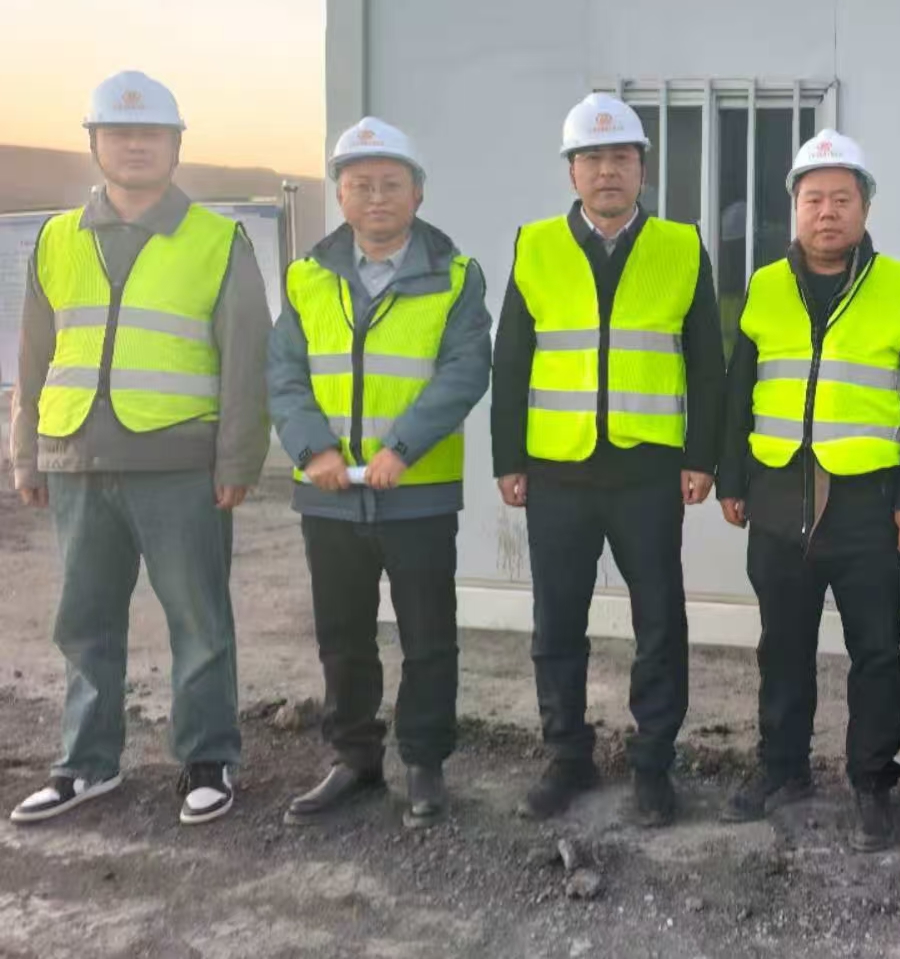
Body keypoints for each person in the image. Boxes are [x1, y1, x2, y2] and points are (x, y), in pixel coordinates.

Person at [9, 71, 271, 826]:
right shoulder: (57, 239)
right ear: (94, 143)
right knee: (84, 622)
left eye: (150, 134)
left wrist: (237, 460)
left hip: (180, 466)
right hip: (77, 461)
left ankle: (208, 760)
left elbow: (246, 357)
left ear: (175, 147)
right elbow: (33, 355)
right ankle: (85, 764)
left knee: (198, 620)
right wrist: (26, 452)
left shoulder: (217, 240)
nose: (134, 146)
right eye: (118, 133)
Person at [491, 93, 725, 827]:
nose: (606, 171)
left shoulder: (680, 246)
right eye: (591, 158)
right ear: (571, 171)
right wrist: (508, 457)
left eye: (621, 157)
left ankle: (653, 766)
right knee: (556, 623)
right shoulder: (535, 246)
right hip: (557, 470)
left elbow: (706, 362)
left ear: (642, 168)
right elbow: (511, 358)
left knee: (660, 622)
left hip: (647, 470)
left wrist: (702, 454)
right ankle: (567, 757)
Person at [715, 129, 900, 852]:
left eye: (841, 199)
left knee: (875, 652)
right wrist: (732, 478)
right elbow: (739, 389)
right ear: (794, 207)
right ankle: (782, 769)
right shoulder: (764, 286)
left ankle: (872, 783)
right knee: (781, 647)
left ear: (865, 207)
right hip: (777, 497)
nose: (827, 212)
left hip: (865, 505)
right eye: (813, 198)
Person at [269, 116, 491, 829]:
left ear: (417, 193)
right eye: (360, 184)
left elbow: (465, 371)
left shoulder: (455, 275)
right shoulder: (306, 278)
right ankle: (354, 757)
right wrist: (314, 451)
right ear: (339, 194)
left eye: (390, 184)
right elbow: (284, 375)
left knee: (429, 638)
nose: (375, 197)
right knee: (343, 635)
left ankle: (424, 762)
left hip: (416, 494)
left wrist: (402, 448)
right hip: (329, 496)